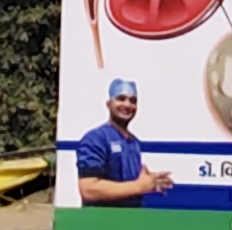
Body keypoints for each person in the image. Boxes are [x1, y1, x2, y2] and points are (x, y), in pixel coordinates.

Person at [72, 79, 171, 207]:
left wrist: (150, 184)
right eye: (121, 98)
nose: (127, 105)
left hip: (129, 222)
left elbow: (130, 187)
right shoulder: (95, 139)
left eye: (133, 100)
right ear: (108, 104)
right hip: (102, 223)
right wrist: (138, 186)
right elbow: (89, 189)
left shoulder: (134, 142)